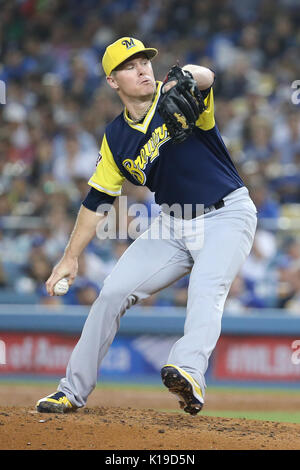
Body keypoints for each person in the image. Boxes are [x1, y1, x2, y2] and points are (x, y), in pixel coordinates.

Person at [36, 37, 257, 415]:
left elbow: (206, 77)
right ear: (112, 81)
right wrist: (70, 258)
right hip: (170, 224)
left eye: (144, 61)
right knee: (110, 294)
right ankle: (70, 391)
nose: (142, 69)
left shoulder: (178, 92)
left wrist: (187, 74)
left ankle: (188, 373)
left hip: (226, 214)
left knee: (207, 287)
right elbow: (97, 201)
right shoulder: (115, 138)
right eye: (129, 65)